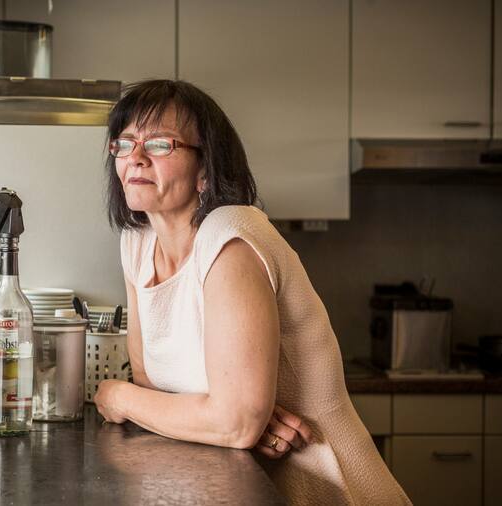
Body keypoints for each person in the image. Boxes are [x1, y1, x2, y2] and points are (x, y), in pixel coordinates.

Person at [93, 79, 410, 504]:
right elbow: (154, 381)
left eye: (160, 145)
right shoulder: (137, 244)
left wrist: (118, 394)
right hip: (238, 485)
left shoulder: (230, 236)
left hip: (322, 488)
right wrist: (236, 419)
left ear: (206, 170)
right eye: (125, 143)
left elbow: (228, 421)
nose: (135, 158)